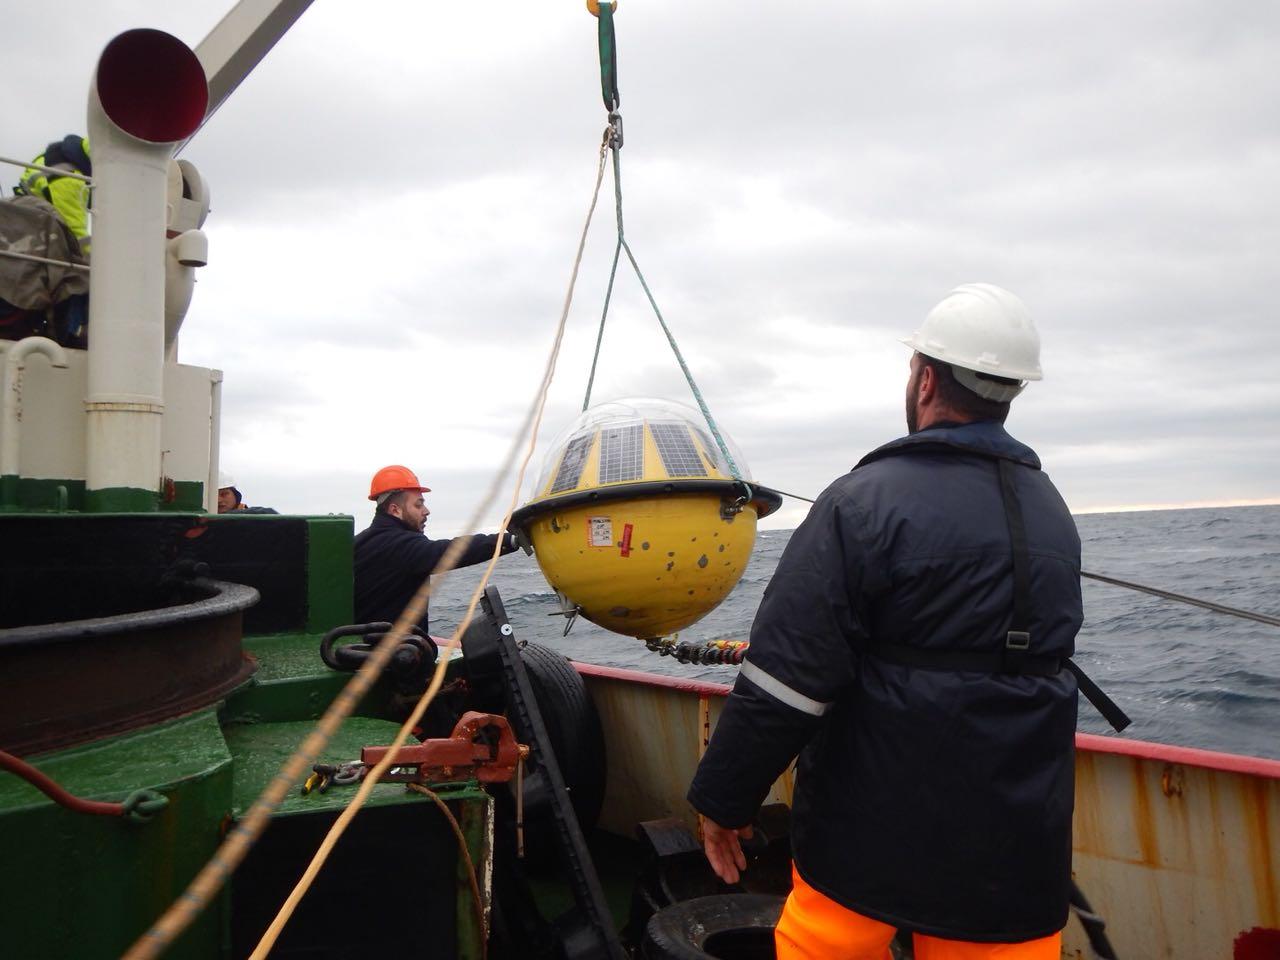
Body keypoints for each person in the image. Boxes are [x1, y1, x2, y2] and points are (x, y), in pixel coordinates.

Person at [688, 284, 1093, 959]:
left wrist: (723, 801)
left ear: (926, 378)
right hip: (1010, 856)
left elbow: (787, 680)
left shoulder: (862, 503)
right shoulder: (1053, 513)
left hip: (865, 846)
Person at [353, 464, 521, 632]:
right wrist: (509, 540)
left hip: (357, 646)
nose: (426, 511)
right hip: (393, 653)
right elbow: (449, 551)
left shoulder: (359, 542)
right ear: (395, 510)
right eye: (418, 505)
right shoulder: (401, 545)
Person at [14, 135, 92, 244]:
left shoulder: (62, 156)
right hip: (34, 228)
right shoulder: (70, 181)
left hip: (27, 218)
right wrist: (97, 260)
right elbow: (74, 234)